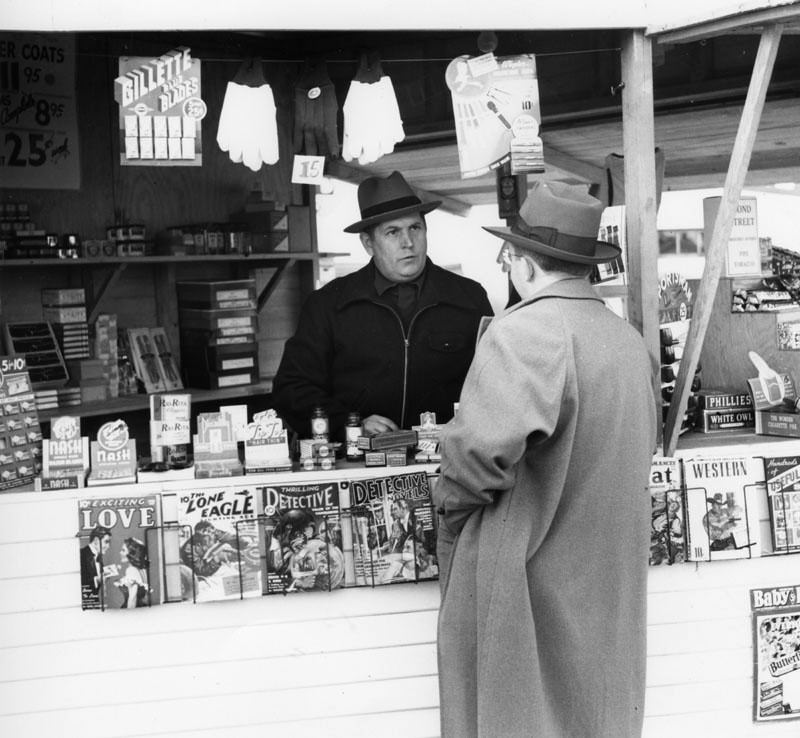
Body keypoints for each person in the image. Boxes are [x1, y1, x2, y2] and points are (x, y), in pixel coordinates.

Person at [433, 181, 658, 738]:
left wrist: (450, 517)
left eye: (509, 255)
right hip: (607, 575)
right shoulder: (627, 341)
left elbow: (473, 458)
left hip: (525, 571)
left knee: (515, 717)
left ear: (524, 264)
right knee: (596, 714)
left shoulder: (524, 332)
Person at [271, 170, 493, 439]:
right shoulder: (328, 305)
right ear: (368, 243)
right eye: (392, 232)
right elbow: (292, 390)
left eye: (415, 228)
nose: (408, 243)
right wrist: (351, 425)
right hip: (359, 459)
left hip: (447, 455)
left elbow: (497, 384)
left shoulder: (469, 298)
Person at [115, 537, 150, 608]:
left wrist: (130, 613)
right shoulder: (141, 569)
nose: (120, 552)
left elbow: (132, 598)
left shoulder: (131, 570)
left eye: (123, 550)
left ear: (132, 553)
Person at [80, 525, 111, 597]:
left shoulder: (98, 556)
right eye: (106, 542)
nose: (108, 546)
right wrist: (97, 580)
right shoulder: (81, 554)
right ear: (96, 540)